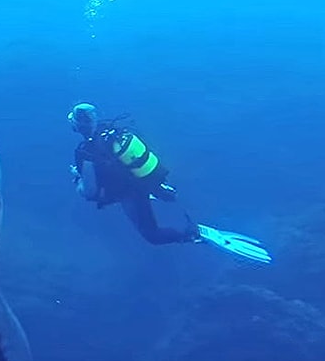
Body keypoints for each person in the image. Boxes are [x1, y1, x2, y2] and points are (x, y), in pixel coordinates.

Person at [67, 102, 272, 264]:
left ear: (78, 125)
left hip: (130, 191)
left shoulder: (86, 152)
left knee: (152, 235)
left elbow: (90, 193)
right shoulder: (112, 130)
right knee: (162, 195)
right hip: (148, 176)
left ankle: (196, 233)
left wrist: (77, 178)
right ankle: (162, 191)